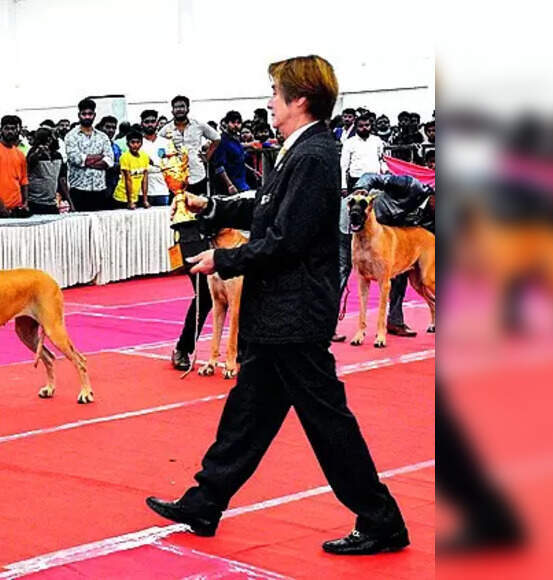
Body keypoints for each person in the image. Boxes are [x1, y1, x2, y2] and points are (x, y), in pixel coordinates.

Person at [147, 55, 409, 556]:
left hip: (295, 315)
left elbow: (287, 238)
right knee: (248, 414)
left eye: (275, 92)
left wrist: (222, 258)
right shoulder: (298, 150)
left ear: (300, 99)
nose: (269, 101)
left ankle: (381, 519)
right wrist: (214, 206)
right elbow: (266, 203)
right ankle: (206, 500)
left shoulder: (313, 155)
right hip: (278, 317)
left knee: (328, 423)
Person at [333, 173, 436, 342]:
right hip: (353, 224)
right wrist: (362, 191)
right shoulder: (411, 185)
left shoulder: (431, 217)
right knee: (342, 273)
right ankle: (329, 327)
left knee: (412, 278)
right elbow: (372, 177)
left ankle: (395, 321)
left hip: (383, 235)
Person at [159, 95, 220, 195]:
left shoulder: (198, 125)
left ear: (188, 109)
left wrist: (207, 156)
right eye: (176, 107)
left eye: (182, 106)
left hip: (197, 173)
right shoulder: (166, 129)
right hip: (176, 177)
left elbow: (216, 138)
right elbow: (159, 147)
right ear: (172, 110)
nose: (179, 110)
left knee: (200, 207)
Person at [64, 98, 115, 211]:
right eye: (84, 114)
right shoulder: (71, 136)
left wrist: (86, 160)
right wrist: (100, 157)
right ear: (79, 115)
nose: (87, 117)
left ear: (94, 115)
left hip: (100, 189)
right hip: (79, 190)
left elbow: (110, 161)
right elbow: (76, 159)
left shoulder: (102, 136)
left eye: (90, 114)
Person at [0, 115, 29, 217]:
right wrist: (0, 205)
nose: (10, 131)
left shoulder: (20, 154)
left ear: (18, 130)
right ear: (1, 130)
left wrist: (25, 203)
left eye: (13, 128)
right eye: (7, 128)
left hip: (17, 208)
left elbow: (24, 181)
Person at [26, 127, 69, 214]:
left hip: (52, 202)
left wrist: (69, 201)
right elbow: (30, 163)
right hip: (35, 201)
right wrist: (38, 153)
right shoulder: (34, 152)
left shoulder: (58, 155)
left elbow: (61, 179)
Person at [340, 113, 386, 193]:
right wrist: (344, 186)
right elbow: (343, 166)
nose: (364, 128)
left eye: (367, 125)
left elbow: (381, 160)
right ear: (356, 127)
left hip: (375, 180)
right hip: (356, 180)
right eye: (361, 126)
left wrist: (386, 172)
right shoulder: (349, 143)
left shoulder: (377, 140)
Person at [209, 110, 251, 194]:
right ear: (226, 123)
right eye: (233, 122)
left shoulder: (237, 140)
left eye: (238, 123)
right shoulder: (221, 141)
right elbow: (219, 167)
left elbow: (238, 160)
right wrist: (230, 185)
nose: (236, 125)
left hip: (242, 184)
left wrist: (252, 170)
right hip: (229, 187)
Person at [140, 109, 174, 206]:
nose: (150, 124)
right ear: (141, 124)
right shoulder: (137, 144)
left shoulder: (166, 143)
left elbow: (171, 164)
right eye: (146, 122)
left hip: (162, 188)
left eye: (153, 121)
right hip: (142, 190)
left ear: (157, 123)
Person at [113, 128, 151, 209]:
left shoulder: (145, 156)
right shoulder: (124, 157)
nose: (135, 145)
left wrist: (145, 200)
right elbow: (128, 180)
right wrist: (130, 201)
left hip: (135, 196)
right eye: (132, 142)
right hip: (122, 196)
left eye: (138, 142)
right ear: (127, 144)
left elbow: (145, 180)